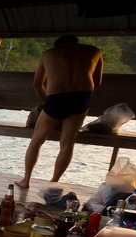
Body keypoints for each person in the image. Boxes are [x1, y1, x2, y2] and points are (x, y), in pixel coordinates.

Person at [16, 35, 103, 188]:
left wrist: (48, 103)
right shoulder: (94, 51)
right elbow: (97, 83)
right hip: (82, 98)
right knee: (67, 143)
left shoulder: (48, 54)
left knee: (36, 141)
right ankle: (53, 183)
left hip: (56, 98)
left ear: (58, 46)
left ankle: (26, 180)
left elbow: (37, 84)